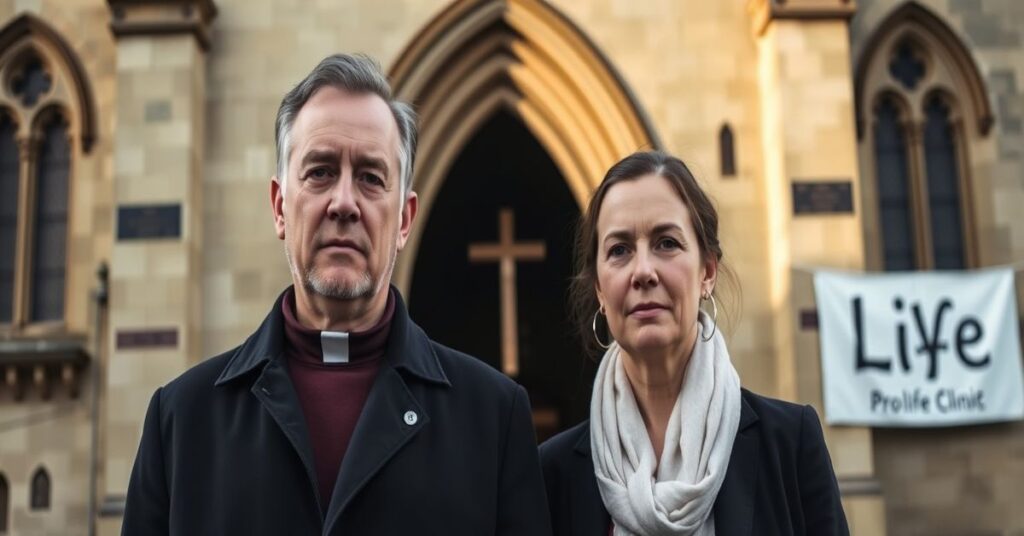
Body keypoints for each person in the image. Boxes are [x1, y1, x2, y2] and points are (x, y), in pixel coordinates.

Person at [122, 54, 552, 535]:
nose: (344, 203)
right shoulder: (181, 422)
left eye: (370, 177)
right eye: (321, 172)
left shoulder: (492, 420)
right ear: (280, 206)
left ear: (404, 219)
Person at [539, 151, 848, 536]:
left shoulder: (789, 444)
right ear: (600, 288)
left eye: (666, 243)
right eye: (619, 250)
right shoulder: (553, 474)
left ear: (707, 271)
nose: (643, 272)